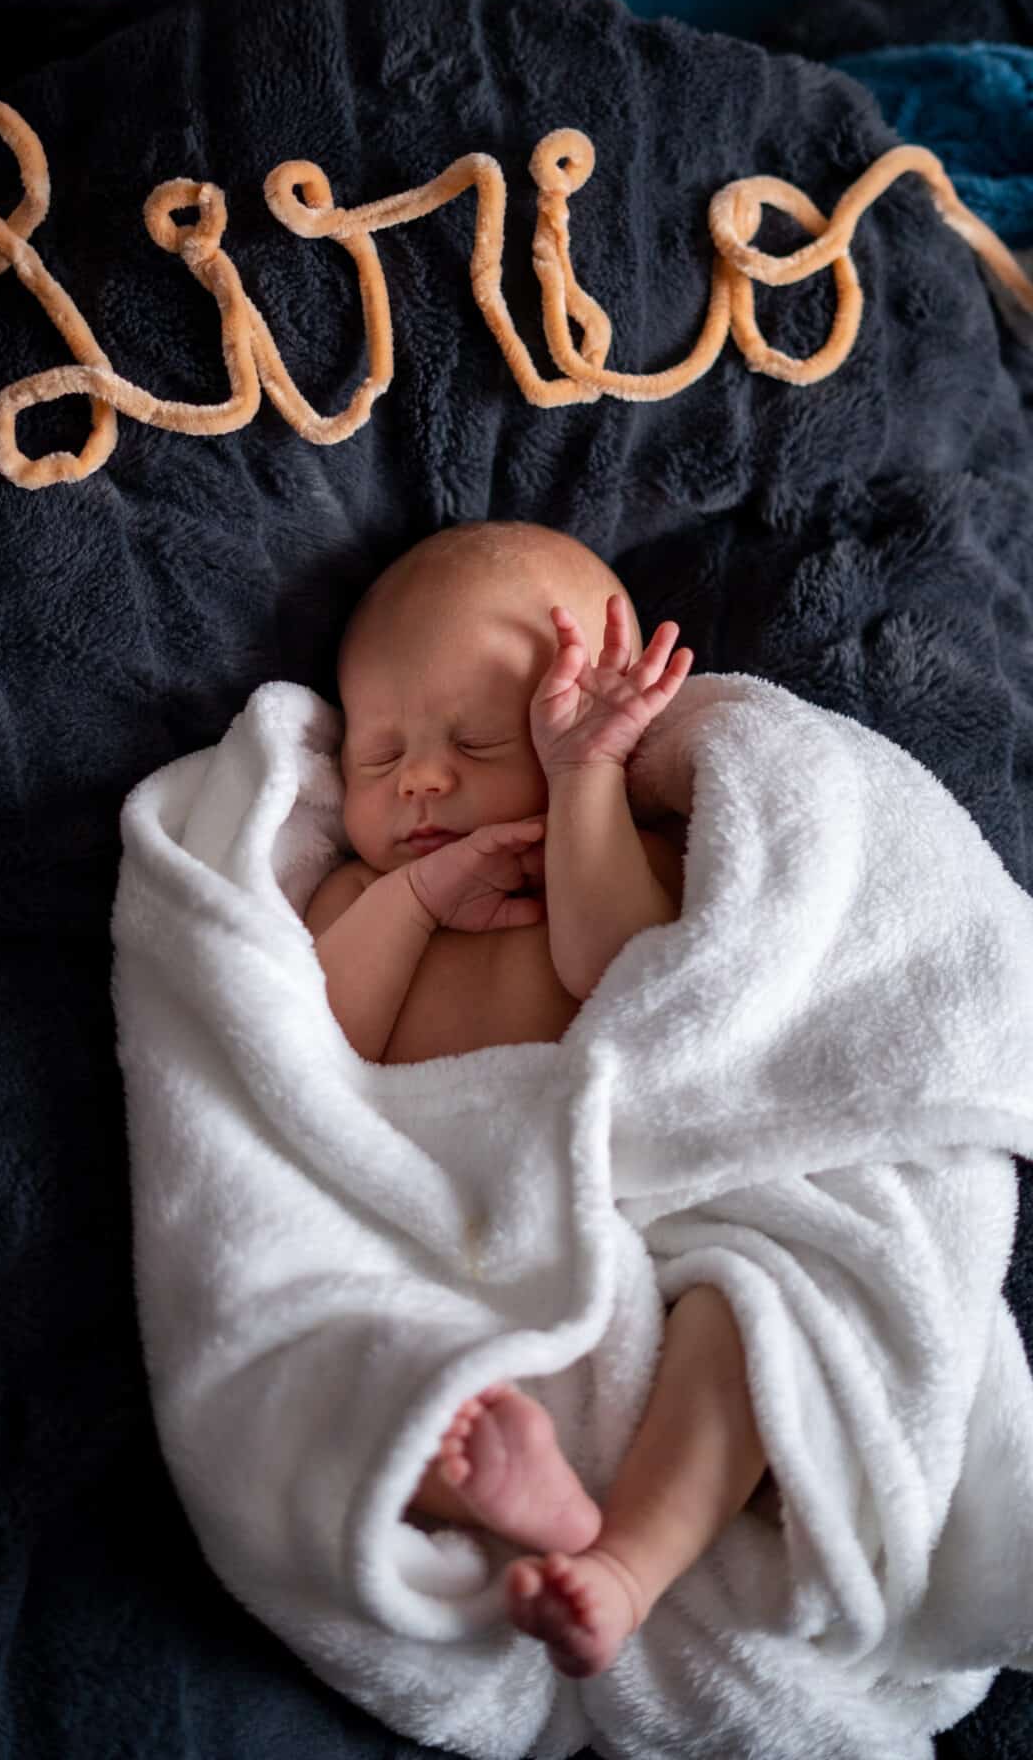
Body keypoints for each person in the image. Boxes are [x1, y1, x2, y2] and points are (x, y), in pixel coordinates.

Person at [302, 519, 769, 1679]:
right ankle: (493, 1492)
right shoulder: (359, 892)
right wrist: (412, 904)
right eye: (377, 755)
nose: (421, 779)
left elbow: (630, 977)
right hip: (432, 1239)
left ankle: (628, 1564)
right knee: (319, 1344)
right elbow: (305, 1048)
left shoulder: (624, 850)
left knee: (761, 1315)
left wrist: (584, 782)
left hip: (633, 1236)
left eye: (477, 741)